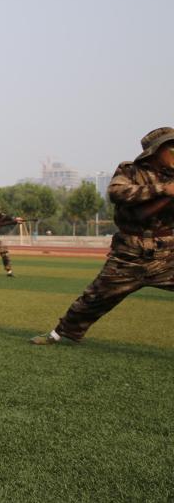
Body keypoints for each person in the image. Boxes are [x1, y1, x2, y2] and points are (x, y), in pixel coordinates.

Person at [31, 127, 174, 345]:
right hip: (129, 254)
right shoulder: (131, 171)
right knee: (95, 298)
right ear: (155, 151)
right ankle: (61, 334)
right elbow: (117, 193)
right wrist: (164, 190)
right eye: (171, 147)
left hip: (168, 254)